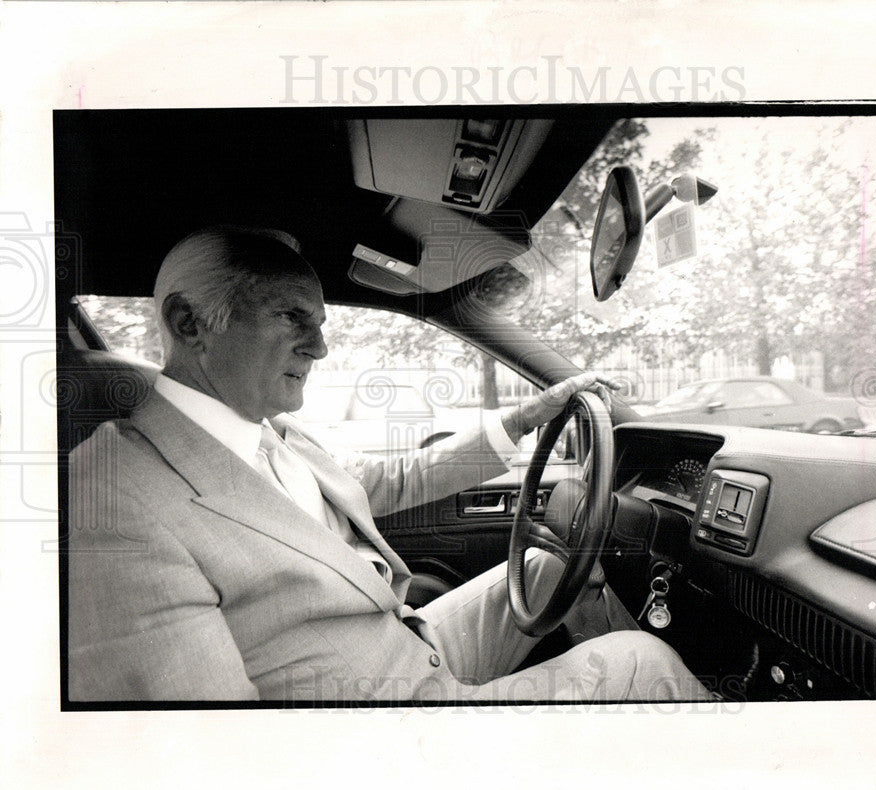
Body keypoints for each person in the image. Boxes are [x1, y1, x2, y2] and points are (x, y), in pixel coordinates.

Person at [67, 227, 713, 703]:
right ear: (190, 323)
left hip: (411, 644)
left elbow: (393, 479)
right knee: (641, 665)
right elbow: (217, 752)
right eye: (294, 317)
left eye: (320, 324)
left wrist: (521, 420)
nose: (319, 347)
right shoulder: (116, 501)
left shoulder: (269, 432)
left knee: (546, 568)